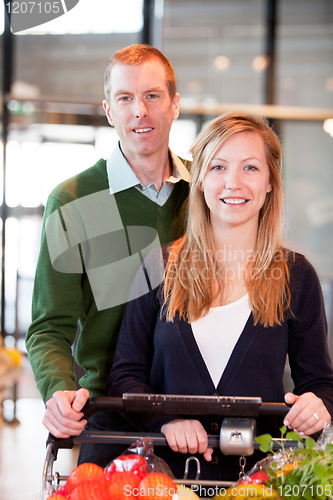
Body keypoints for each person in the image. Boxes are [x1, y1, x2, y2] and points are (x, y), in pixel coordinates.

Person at [108, 112, 333, 481]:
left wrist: (319, 405)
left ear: (270, 183)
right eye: (218, 167)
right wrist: (167, 420)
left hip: (261, 482)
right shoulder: (157, 267)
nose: (233, 183)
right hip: (165, 482)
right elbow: (125, 374)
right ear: (199, 181)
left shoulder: (297, 276)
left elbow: (320, 384)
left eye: (249, 168)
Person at [25, 44, 190, 467]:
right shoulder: (73, 200)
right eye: (125, 98)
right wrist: (59, 390)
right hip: (109, 413)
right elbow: (49, 327)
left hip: (197, 410)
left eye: (153, 96)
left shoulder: (208, 193)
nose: (140, 111)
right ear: (108, 109)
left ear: (174, 104)